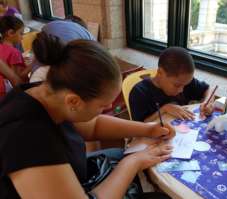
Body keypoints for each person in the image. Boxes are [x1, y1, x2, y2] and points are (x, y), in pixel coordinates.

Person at [0, 32, 174, 199]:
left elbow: (93, 125)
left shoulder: (50, 92)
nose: (110, 107)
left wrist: (149, 129)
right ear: (74, 102)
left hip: (77, 173)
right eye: (103, 105)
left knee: (123, 155)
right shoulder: (26, 137)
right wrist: (132, 163)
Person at [129, 47, 213, 122]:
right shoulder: (140, 92)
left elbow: (208, 89)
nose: (181, 90)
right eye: (177, 85)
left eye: (185, 85)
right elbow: (140, 127)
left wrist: (207, 102)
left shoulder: (184, 81)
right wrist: (164, 109)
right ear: (160, 73)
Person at [0, 16, 31, 97]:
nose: (22, 37)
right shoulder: (14, 52)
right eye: (21, 33)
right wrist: (33, 64)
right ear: (10, 33)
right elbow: (20, 77)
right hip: (11, 94)